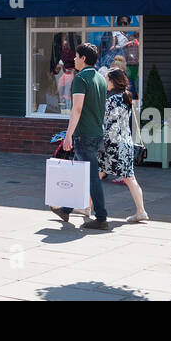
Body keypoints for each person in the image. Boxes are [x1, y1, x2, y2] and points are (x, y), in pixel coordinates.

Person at [58, 43, 109, 229]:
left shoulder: (80, 79)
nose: (74, 59)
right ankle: (65, 209)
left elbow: (77, 109)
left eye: (76, 56)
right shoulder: (101, 79)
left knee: (92, 176)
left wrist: (68, 135)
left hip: (83, 135)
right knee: (81, 174)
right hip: (96, 132)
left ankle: (102, 218)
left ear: (84, 59)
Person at [99, 65, 149, 223]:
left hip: (113, 144)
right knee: (129, 178)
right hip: (126, 143)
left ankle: (86, 207)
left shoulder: (111, 99)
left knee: (97, 174)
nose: (105, 81)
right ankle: (141, 211)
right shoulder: (126, 96)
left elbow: (108, 121)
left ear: (113, 81)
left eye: (107, 79)